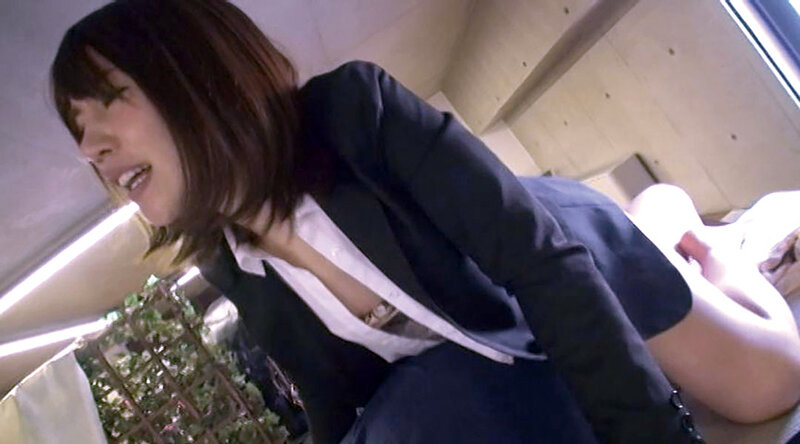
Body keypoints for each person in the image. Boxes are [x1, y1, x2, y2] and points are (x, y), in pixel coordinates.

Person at [48, 1, 796, 442]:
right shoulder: (226, 259)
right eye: (78, 133)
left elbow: (543, 266)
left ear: (195, 77)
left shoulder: (356, 112)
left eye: (107, 100)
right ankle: (664, 222)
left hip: (571, 257)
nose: (91, 149)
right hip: (497, 343)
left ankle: (692, 237)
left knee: (771, 386)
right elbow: (337, 403)